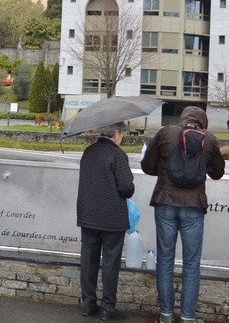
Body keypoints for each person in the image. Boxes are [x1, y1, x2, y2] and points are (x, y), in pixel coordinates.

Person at [140, 106, 224, 323]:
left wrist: (165, 168)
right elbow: (217, 174)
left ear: (182, 118)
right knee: (191, 263)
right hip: (193, 206)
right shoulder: (209, 139)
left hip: (165, 202)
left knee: (165, 260)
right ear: (202, 122)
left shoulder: (166, 133)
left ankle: (166, 316)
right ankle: (188, 318)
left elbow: (148, 166)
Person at [76, 121, 134, 320]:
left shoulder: (88, 151)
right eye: (122, 134)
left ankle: (88, 304)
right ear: (116, 133)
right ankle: (108, 309)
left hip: (88, 215)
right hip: (111, 218)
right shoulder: (118, 154)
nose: (122, 138)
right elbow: (127, 188)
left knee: (88, 260)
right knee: (110, 263)